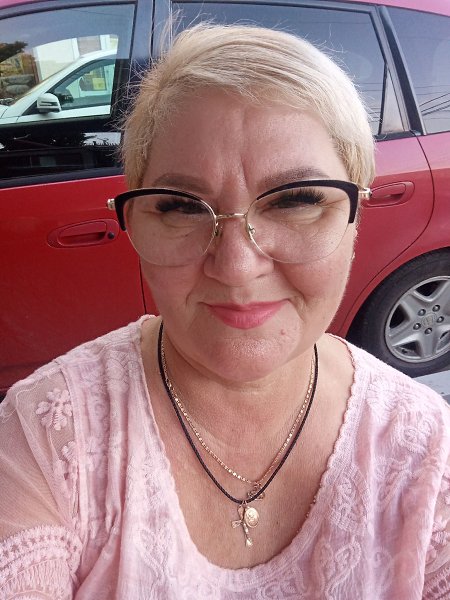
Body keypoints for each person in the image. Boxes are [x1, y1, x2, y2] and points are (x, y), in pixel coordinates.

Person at [0, 23, 449, 600]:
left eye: (295, 200)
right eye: (182, 207)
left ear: (356, 210)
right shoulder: (44, 435)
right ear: (133, 219)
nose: (236, 267)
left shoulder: (425, 451)